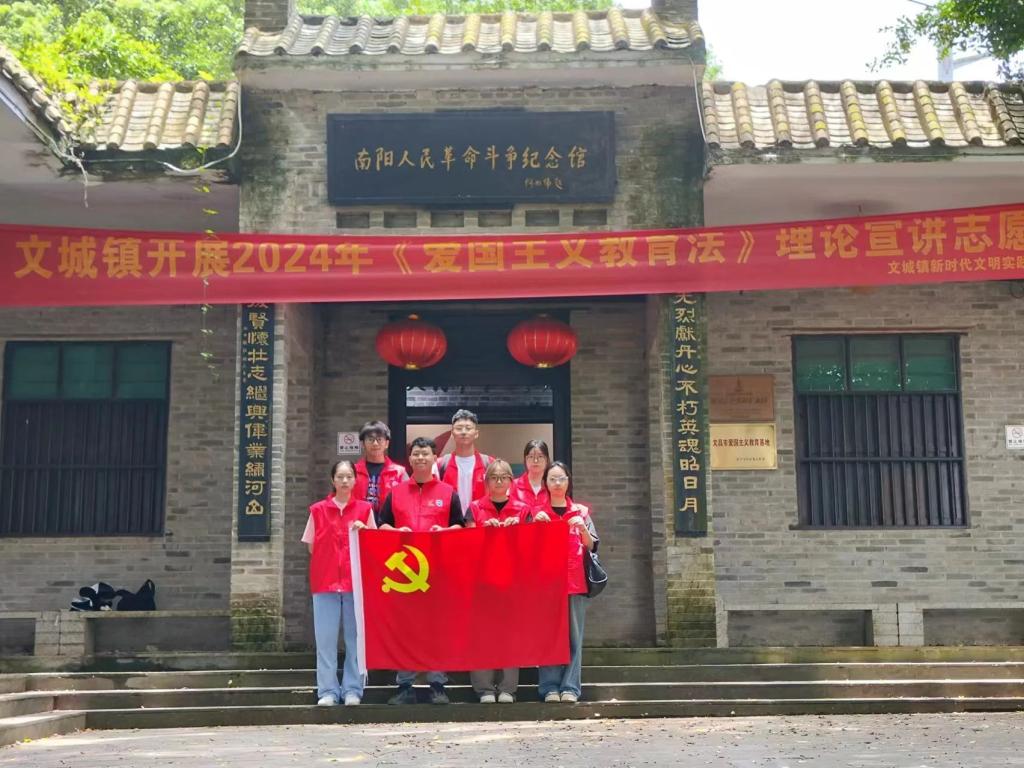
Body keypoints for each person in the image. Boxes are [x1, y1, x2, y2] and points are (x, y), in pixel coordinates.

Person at [378, 436, 464, 705]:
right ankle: (405, 685)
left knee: (437, 628)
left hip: (438, 572)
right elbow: (381, 525)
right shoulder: (396, 493)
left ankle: (437, 684)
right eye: (416, 454)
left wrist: (445, 531)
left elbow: (461, 527)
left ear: (435, 458)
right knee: (406, 629)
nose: (420, 458)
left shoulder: (448, 493)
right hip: (405, 575)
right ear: (410, 458)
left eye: (425, 453)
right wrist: (396, 532)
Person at [301, 460, 374, 707]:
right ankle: (328, 691)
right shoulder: (318, 511)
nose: (344, 481)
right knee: (325, 641)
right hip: (325, 583)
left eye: (349, 476)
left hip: (355, 585)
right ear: (332, 480)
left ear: (355, 480)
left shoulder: (365, 510)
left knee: (355, 640)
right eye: (340, 476)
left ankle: (353, 689)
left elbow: (374, 546)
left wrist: (365, 533)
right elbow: (312, 547)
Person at [531, 461, 598, 704]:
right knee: (548, 636)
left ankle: (570, 687)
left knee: (574, 637)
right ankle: (549, 687)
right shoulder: (536, 512)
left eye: (562, 479)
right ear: (545, 483)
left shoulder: (581, 512)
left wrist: (583, 529)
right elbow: (527, 548)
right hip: (546, 584)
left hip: (574, 582)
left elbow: (592, 545)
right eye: (552, 479)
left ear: (568, 482)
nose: (557, 483)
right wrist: (534, 527)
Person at [465, 459, 531, 703]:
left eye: (504, 477)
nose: (499, 481)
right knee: (481, 635)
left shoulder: (523, 510)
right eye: (494, 477)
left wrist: (518, 530)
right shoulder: (475, 508)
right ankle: (484, 688)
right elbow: (466, 542)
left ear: (511, 481)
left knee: (510, 635)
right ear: (486, 482)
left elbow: (531, 545)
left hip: (513, 581)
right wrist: (483, 530)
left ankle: (507, 688)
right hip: (481, 582)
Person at [352, 420, 408, 521]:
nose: (375, 443)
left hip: (389, 525)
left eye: (379, 439)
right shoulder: (352, 471)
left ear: (386, 443)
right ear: (362, 444)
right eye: (370, 439)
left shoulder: (399, 472)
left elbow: (409, 501)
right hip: (359, 523)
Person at [437, 409, 492, 509]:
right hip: (449, 517)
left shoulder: (489, 463)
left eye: (468, 428)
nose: (463, 432)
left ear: (476, 433)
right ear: (452, 434)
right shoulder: (441, 464)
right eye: (459, 428)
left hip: (481, 517)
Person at [511, 439, 551, 513]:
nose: (535, 461)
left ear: (547, 460)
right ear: (525, 460)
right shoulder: (513, 485)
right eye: (531, 456)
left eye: (540, 456)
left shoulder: (552, 485)